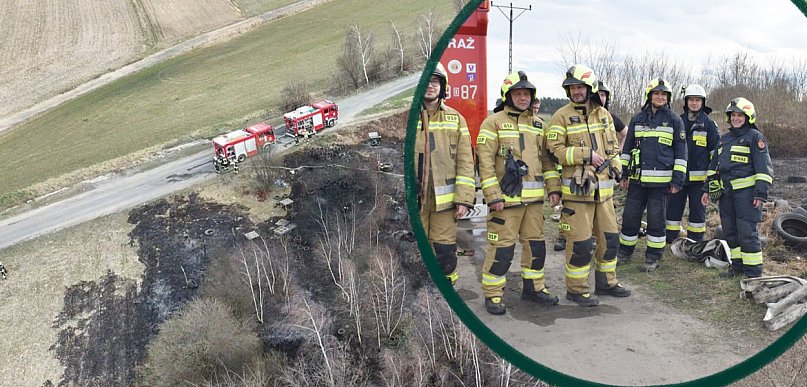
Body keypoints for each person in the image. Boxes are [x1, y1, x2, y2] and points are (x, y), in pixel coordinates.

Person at [476, 70, 561, 315]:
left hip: (534, 203)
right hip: (505, 202)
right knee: (501, 249)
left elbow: (546, 161)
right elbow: (485, 162)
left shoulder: (538, 124)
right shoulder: (493, 123)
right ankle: (493, 295)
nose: (523, 98)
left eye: (526, 93)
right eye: (517, 93)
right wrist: (493, 196)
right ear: (507, 95)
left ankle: (534, 289)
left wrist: (554, 189)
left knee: (536, 247)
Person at [546, 64, 630, 307]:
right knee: (581, 245)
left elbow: (613, 147)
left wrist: (616, 165)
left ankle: (607, 282)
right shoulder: (560, 116)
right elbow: (555, 151)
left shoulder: (604, 115)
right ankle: (577, 289)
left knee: (610, 240)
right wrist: (585, 155)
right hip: (577, 195)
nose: (576, 91)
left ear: (590, 88)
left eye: (580, 87)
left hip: (604, 195)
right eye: (572, 88)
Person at [415, 62, 476, 286]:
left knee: (445, 252)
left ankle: (446, 296)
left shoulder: (456, 119)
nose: (430, 86)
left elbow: (465, 162)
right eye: (426, 81)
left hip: (445, 202)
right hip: (415, 201)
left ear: (443, 86)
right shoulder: (407, 118)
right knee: (416, 251)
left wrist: (464, 199)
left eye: (435, 81)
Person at [618, 78, 688, 272]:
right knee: (630, 217)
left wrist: (677, 180)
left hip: (661, 183)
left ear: (668, 98)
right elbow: (627, 148)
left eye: (663, 94)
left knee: (656, 221)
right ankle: (624, 251)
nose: (660, 97)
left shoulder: (675, 120)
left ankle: (653, 257)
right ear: (649, 96)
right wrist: (623, 175)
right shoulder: (637, 119)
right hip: (637, 181)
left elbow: (681, 153)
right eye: (656, 94)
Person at [701, 98, 773, 278]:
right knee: (730, 233)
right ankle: (737, 267)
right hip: (726, 195)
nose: (736, 118)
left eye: (740, 115)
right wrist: (707, 189)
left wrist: (760, 194)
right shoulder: (724, 139)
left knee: (747, 233)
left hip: (747, 196)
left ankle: (754, 273)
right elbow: (714, 166)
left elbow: (764, 170)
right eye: (733, 115)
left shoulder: (755, 137)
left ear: (748, 117)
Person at [665, 84, 720, 243]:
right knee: (673, 210)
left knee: (697, 213)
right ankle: (670, 239)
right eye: (691, 100)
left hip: (700, 182)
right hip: (679, 177)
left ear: (703, 102)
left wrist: (711, 180)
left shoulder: (709, 125)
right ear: (686, 101)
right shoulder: (678, 121)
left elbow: (715, 154)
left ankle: (695, 241)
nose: (694, 103)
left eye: (697, 100)